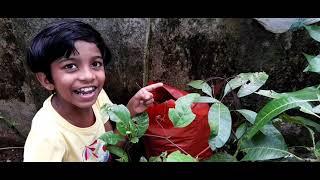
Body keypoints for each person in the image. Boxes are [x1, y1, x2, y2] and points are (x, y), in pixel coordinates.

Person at [23, 19, 163, 162]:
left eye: (95, 64)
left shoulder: (98, 98)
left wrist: (130, 111)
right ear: (47, 80)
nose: (88, 76)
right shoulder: (46, 137)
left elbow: (110, 148)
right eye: (70, 66)